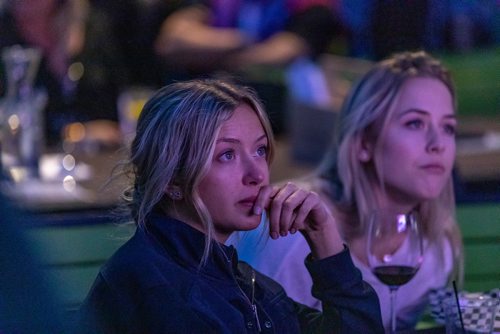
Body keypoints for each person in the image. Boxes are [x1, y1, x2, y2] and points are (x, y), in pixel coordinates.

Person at [76, 78, 383, 333]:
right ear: (172, 180)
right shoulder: (163, 293)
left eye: (260, 150)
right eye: (227, 155)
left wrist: (324, 238)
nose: (258, 174)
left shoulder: (228, 276)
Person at [233, 51, 464, 332]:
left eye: (448, 127)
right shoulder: (292, 227)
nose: (437, 144)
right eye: (415, 123)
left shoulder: (435, 245)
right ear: (364, 143)